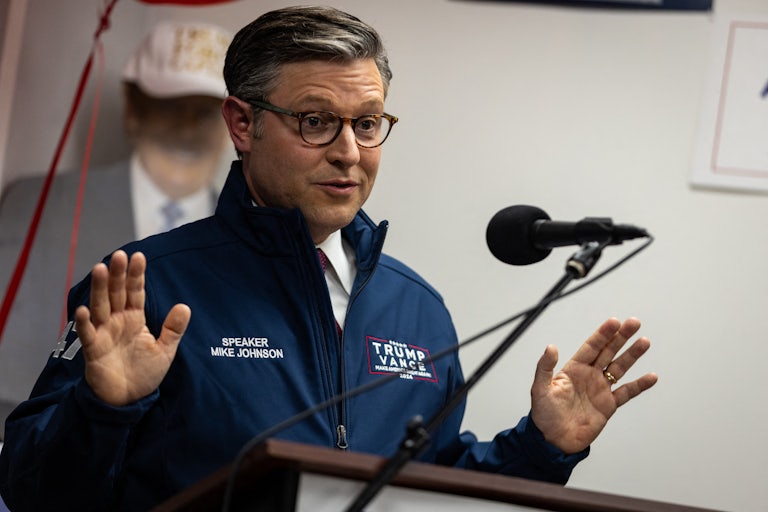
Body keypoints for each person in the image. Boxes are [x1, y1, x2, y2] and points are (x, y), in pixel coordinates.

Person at [0, 6, 658, 511]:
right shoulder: (142, 285)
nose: (348, 152)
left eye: (367, 123)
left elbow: (428, 486)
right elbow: (31, 493)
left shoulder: (418, 308)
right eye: (315, 121)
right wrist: (102, 409)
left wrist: (541, 448)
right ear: (242, 124)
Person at [0, 20, 232, 435]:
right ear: (134, 110)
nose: (186, 128)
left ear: (235, 126)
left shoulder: (246, 238)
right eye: (169, 107)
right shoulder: (38, 204)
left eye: (205, 112)